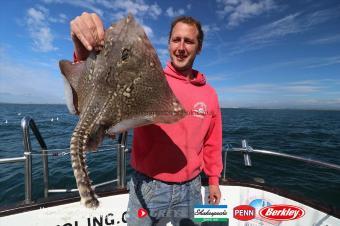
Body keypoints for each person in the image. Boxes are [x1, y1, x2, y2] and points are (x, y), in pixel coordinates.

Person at [70, 12, 223, 226]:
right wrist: (82, 50)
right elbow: (101, 82)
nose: (181, 47)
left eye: (189, 41)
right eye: (176, 39)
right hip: (149, 186)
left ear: (199, 47)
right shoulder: (144, 78)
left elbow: (212, 142)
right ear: (168, 44)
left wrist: (214, 181)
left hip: (192, 188)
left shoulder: (210, 94)